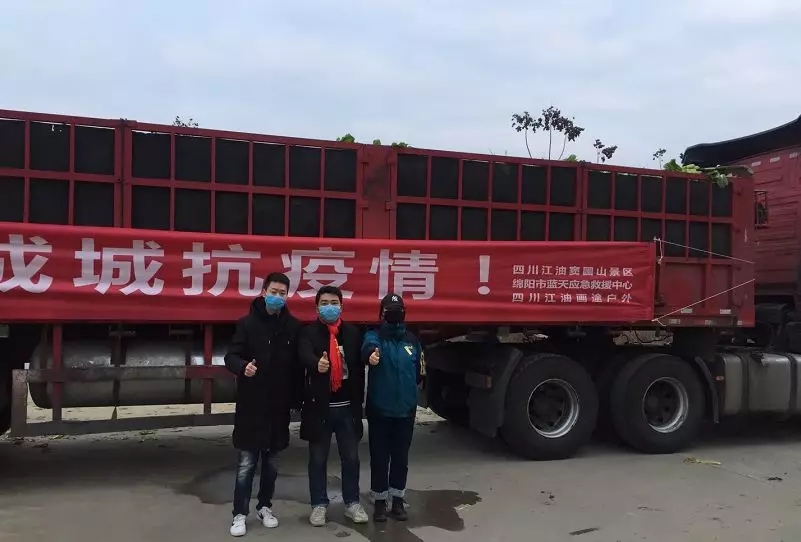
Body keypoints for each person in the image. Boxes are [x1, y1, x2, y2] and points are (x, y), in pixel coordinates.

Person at [223, 272, 302, 537]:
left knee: (272, 464)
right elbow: (230, 356)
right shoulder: (247, 324)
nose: (277, 297)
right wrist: (243, 366)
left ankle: (265, 506)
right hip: (252, 406)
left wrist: (297, 400)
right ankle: (239, 513)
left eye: (282, 293)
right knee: (246, 464)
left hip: (278, 408)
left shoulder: (292, 327)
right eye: (274, 291)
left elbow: (297, 367)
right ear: (264, 291)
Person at [298, 285, 369, 526]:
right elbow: (303, 355)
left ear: (342, 306)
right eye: (325, 303)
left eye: (334, 303)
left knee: (351, 458)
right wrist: (315, 364)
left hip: (347, 408)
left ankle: (352, 503)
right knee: (318, 459)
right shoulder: (308, 333)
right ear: (317, 307)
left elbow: (360, 364)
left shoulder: (352, 333)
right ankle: (319, 504)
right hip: (320, 408)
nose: (330, 307)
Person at [361, 293, 424, 522]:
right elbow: (368, 349)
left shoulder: (412, 340)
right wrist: (371, 355)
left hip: (405, 410)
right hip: (380, 409)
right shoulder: (374, 336)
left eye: (399, 310)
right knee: (379, 457)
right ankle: (379, 501)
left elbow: (419, 371)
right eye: (390, 311)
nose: (395, 314)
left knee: (400, 458)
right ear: (382, 314)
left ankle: (397, 500)